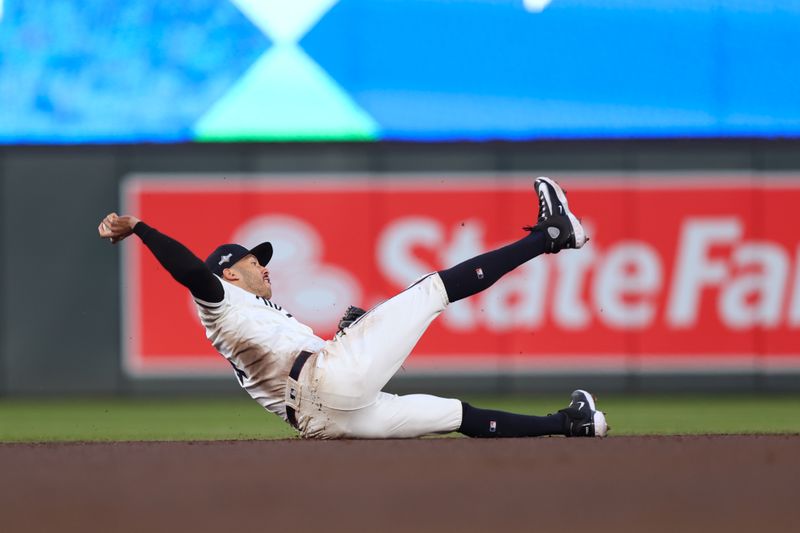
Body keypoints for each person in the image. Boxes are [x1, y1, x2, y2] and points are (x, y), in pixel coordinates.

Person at [98, 176, 608, 439]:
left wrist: (349, 337)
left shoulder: (261, 316)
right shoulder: (222, 301)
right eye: (255, 262)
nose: (264, 268)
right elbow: (190, 272)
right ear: (229, 272)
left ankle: (572, 424)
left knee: (455, 415)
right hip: (330, 384)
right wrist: (141, 228)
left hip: (326, 420)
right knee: (432, 290)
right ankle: (552, 235)